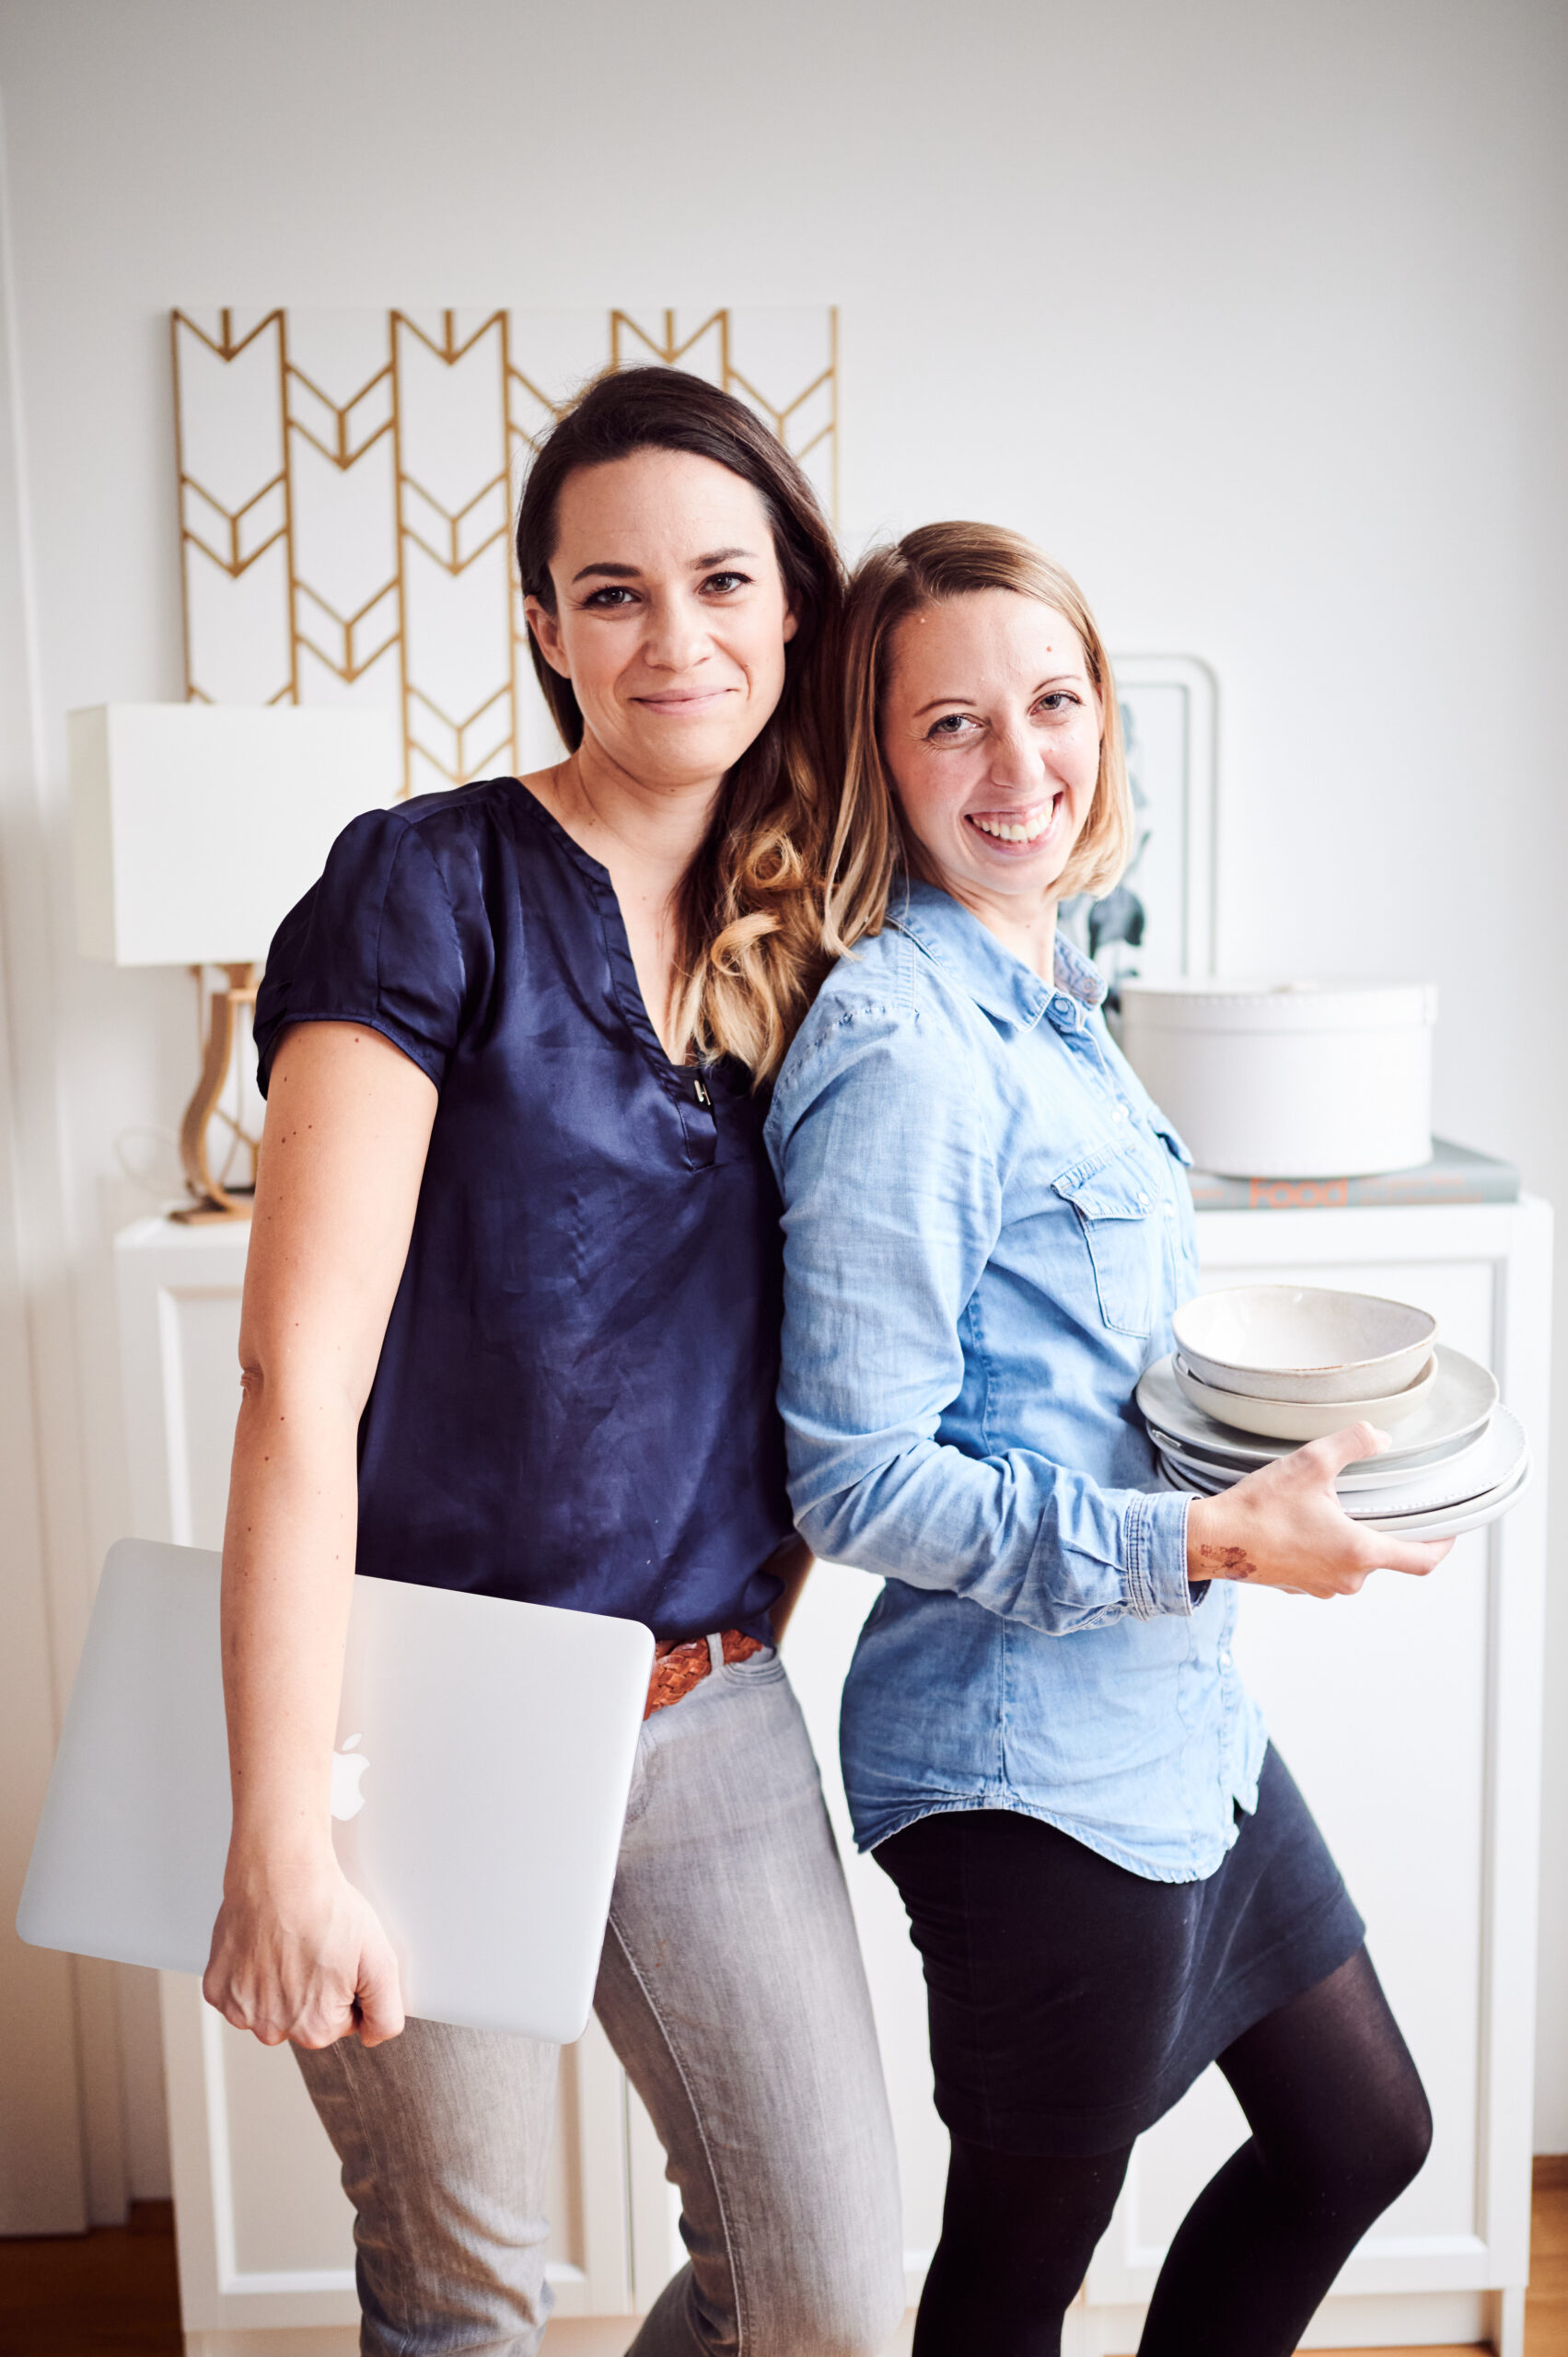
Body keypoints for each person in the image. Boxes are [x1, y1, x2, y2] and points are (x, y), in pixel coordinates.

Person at [203, 366, 905, 2357]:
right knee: (466, 2300)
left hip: (713, 1701)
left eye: (718, 581)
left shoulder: (833, 926)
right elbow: (293, 1383)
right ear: (542, 626)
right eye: (611, 593)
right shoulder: (427, 883)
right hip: (417, 1700)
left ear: (793, 608)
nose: (671, 636)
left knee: (832, 2302)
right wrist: (282, 1830)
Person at [764, 521, 1442, 2357]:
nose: (1020, 763)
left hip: (1177, 1718)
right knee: (1008, 2290)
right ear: (878, 759)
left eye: (1051, 703)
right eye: (953, 724)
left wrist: (1265, 1466)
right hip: (1021, 1770)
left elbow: (1082, 1372)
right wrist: (1217, 1539)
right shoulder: (905, 1043)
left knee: (1361, 2136)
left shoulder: (1051, 1006)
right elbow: (860, 1473)